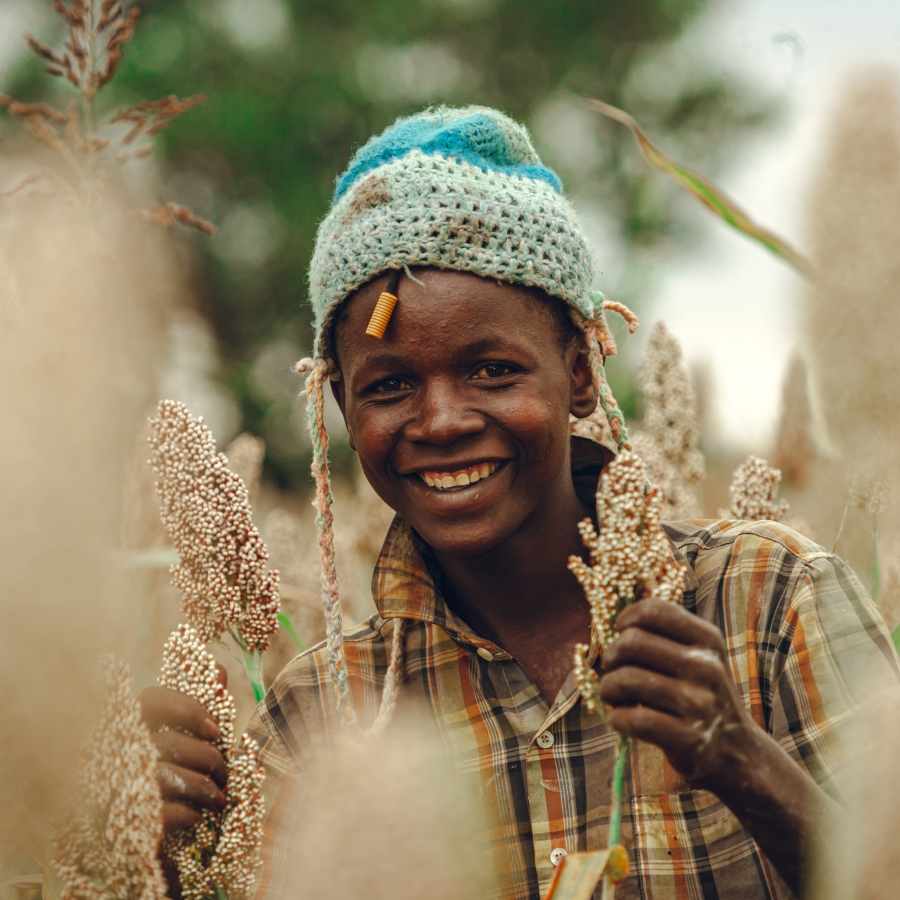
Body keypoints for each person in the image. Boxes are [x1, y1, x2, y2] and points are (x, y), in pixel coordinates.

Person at [140, 106, 900, 900]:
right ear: (340, 406)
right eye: (391, 385)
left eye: (491, 370)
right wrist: (162, 850)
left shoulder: (769, 600)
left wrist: (741, 759)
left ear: (578, 373)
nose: (440, 421)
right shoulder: (319, 718)